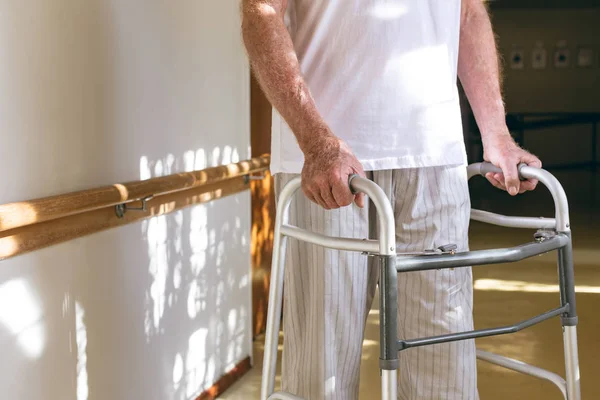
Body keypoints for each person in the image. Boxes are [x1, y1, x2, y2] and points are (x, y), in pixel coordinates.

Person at [241, 0, 542, 399]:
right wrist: (316, 142)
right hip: (326, 165)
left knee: (443, 358)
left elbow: (467, 14)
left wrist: (497, 134)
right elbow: (260, 12)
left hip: (435, 157)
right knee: (321, 369)